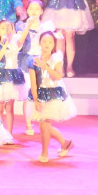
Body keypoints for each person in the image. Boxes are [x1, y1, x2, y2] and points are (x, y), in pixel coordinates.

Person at [28, 31, 77, 162]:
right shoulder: (33, 60)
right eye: (44, 41)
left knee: (45, 125)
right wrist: (36, 99)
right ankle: (65, 143)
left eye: (50, 42)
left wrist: (46, 67)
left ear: (54, 44)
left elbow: (58, 76)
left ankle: (45, 153)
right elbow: (33, 82)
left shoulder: (56, 58)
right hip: (40, 94)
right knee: (44, 126)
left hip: (53, 94)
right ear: (40, 43)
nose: (47, 44)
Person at [17, 0, 54, 135]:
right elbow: (19, 43)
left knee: (42, 91)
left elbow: (50, 44)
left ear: (41, 11)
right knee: (29, 92)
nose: (34, 11)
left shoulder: (46, 27)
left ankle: (43, 123)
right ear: (27, 10)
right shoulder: (21, 25)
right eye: (31, 8)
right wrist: (27, 27)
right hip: (26, 60)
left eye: (37, 9)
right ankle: (28, 125)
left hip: (41, 61)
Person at [0, 19, 29, 135]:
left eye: (9, 27)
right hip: (0, 77)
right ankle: (0, 134)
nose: (6, 30)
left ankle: (9, 134)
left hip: (12, 77)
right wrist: (5, 45)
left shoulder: (16, 43)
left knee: (10, 108)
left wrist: (28, 26)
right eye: (3, 28)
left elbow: (23, 36)